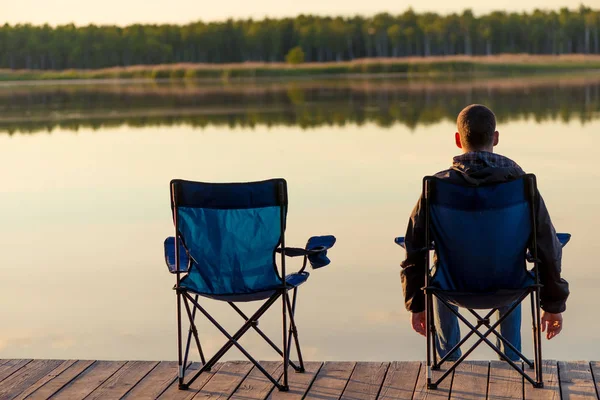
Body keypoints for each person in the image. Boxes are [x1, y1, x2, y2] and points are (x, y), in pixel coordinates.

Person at [400, 104, 569, 361]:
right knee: (510, 264)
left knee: (439, 270)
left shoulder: (436, 188)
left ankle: (447, 361)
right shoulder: (522, 186)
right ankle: (511, 359)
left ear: (458, 140)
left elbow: (414, 248)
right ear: (496, 137)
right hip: (510, 287)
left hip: (452, 289)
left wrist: (417, 304)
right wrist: (553, 305)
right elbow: (546, 246)